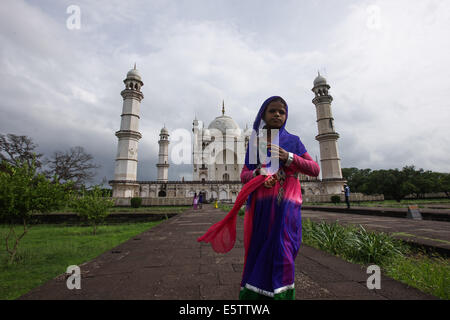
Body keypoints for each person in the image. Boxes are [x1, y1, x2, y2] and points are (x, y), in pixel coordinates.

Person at [198, 96, 320, 300]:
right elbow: (245, 174)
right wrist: (259, 175)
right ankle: (257, 297)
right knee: (260, 247)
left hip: (287, 206)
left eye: (282, 112)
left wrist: (288, 157)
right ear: (263, 114)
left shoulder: (293, 141)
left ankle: (282, 294)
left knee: (285, 249)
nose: (277, 115)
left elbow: (315, 170)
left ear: (286, 115)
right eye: (272, 111)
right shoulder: (257, 143)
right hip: (262, 205)